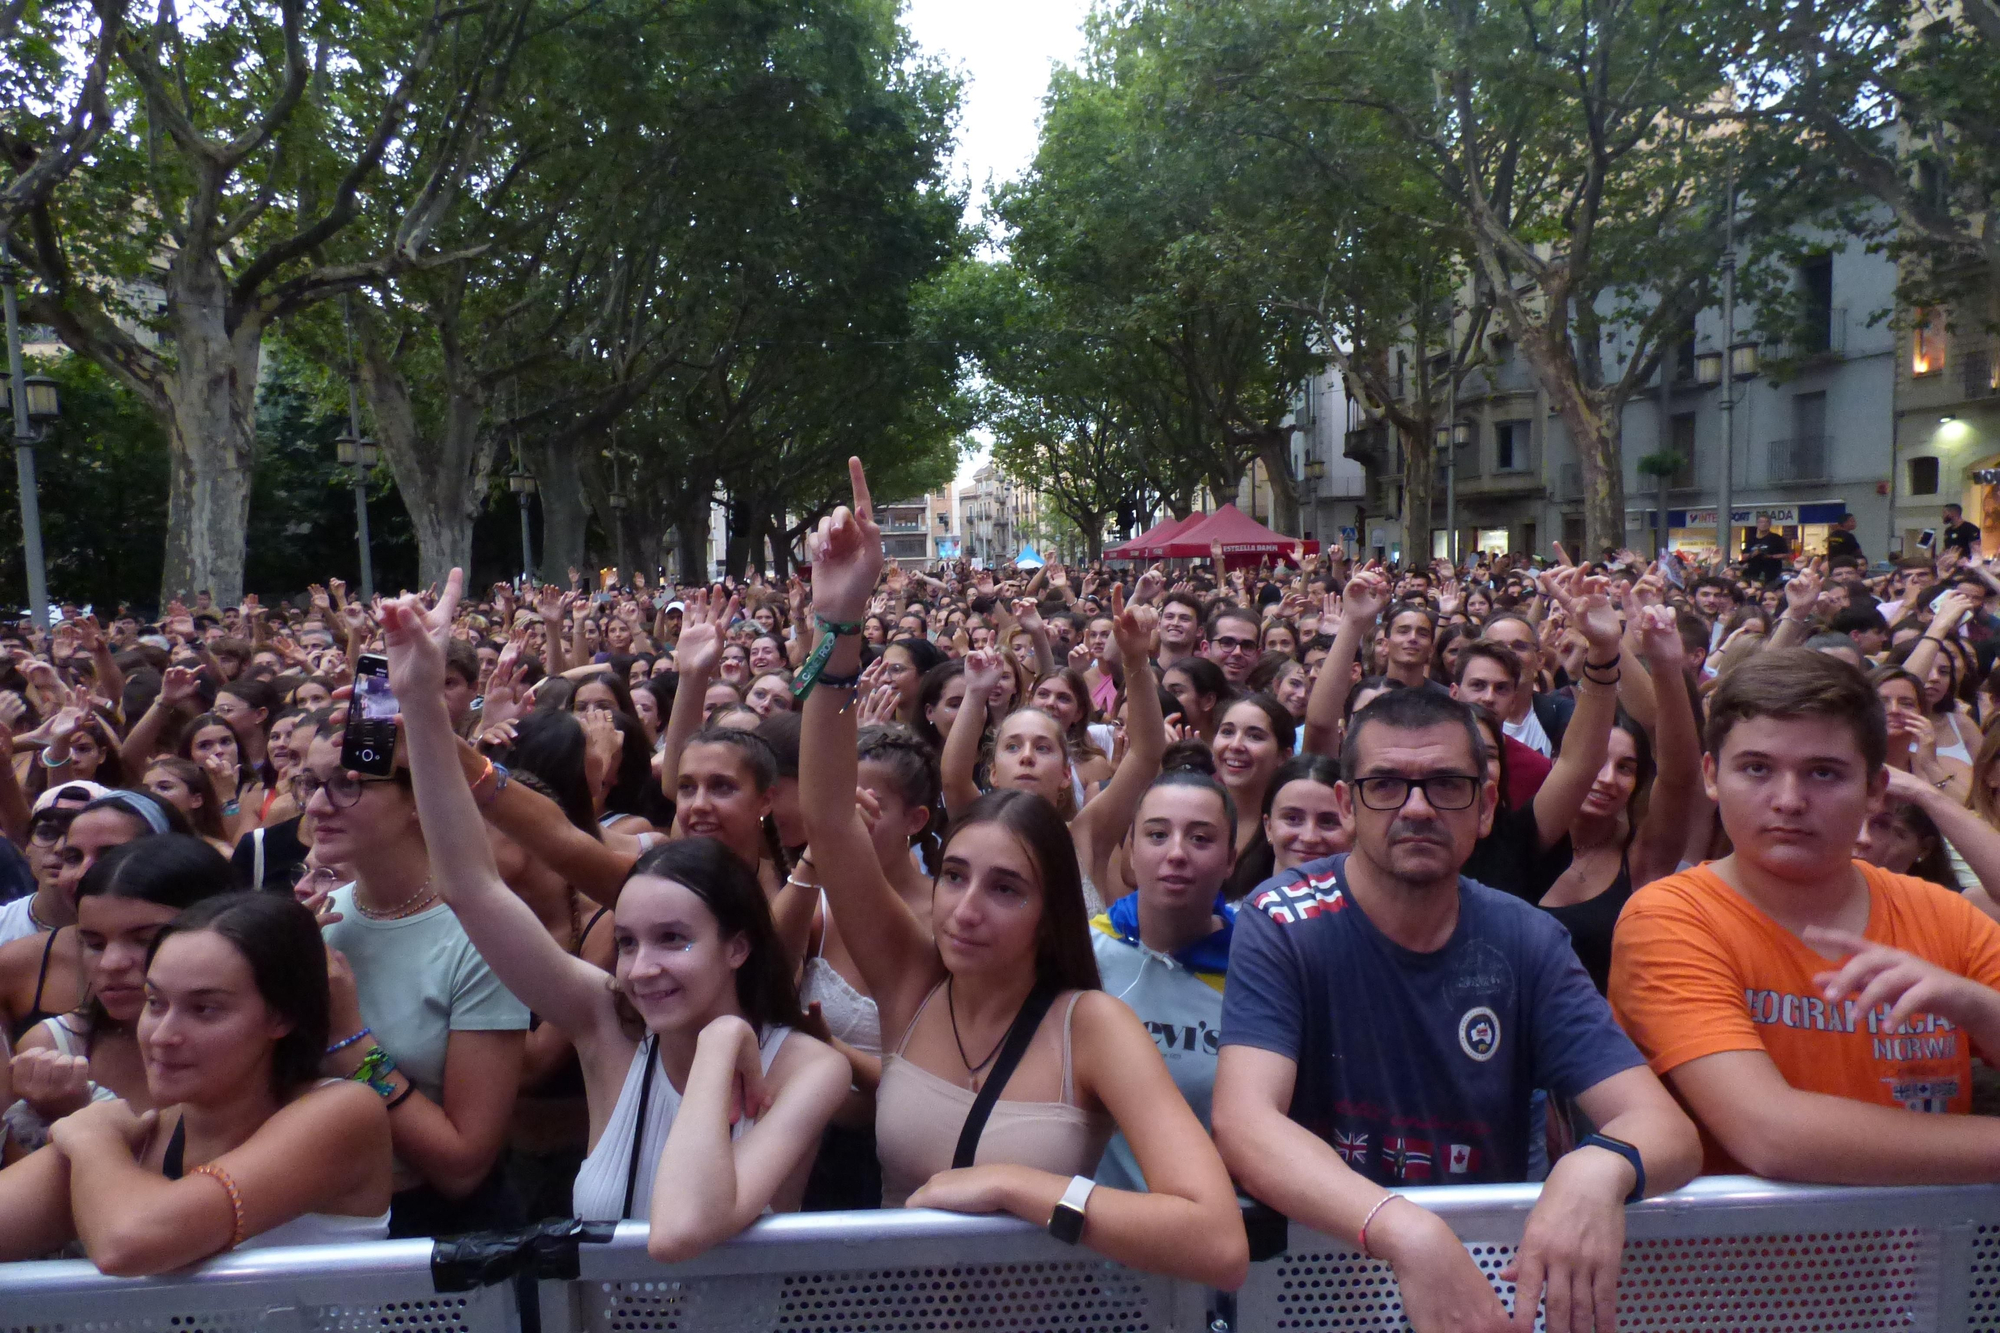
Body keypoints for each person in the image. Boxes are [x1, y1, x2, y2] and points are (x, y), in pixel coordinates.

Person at [800, 459, 1247, 1289]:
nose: (966, 907)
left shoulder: (1093, 1028)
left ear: (1051, 912)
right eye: (957, 876)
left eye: (1005, 888)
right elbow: (828, 818)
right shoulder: (912, 981)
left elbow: (1216, 1237)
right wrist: (840, 619)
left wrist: (1025, 1187)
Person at [378, 575, 846, 1252]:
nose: (641, 968)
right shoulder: (606, 1017)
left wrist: (720, 1043)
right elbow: (471, 887)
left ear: (739, 946)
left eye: (673, 939)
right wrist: (417, 701)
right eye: (626, 942)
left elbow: (682, 1228)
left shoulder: (806, 1067)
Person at [1213, 687, 1700, 1333]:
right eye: (1385, 783)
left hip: (1476, 1289)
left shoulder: (1525, 938)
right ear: (1347, 804)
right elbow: (1246, 1121)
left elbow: (1667, 1131)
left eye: (1446, 783)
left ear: (1487, 804)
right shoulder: (1282, 918)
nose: (1417, 807)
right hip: (1319, 1282)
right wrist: (1406, 1229)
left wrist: (1596, 1166)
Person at [1611, 650, 2000, 1183]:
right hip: (1726, 1264)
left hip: (1924, 1263)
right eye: (1756, 769)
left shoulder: (1942, 915)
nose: (1789, 800)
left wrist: (1978, 1009)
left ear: (1875, 791)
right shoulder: (1670, 919)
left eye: (1823, 773)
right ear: (1711, 775)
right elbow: (1771, 1133)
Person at [0, 892, 392, 1271]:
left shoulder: (344, 1110)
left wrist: (92, 1140)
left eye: (204, 1009)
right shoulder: (142, 1132)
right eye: (155, 1003)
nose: (161, 1035)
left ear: (282, 1017)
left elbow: (128, 1244)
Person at [300, 719, 530, 1237]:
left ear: (416, 797)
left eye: (347, 783)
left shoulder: (481, 933)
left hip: (437, 1239)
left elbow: (462, 1166)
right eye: (310, 783)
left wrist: (348, 1041)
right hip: (316, 1223)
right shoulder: (315, 919)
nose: (316, 806)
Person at [4, 837, 238, 1155]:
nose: (112, 964)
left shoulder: (261, 1042)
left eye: (145, 939)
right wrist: (56, 1121)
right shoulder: (51, 1051)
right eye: (94, 943)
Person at [1089, 768, 1238, 1192]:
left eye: (1201, 839)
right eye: (1157, 835)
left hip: (1218, 1231)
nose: (1176, 853)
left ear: (1230, 859)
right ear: (1130, 851)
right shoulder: (1085, 953)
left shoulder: (1261, 966)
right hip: (1091, 1237)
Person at [1742, 514, 1791, 585]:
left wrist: (1770, 556)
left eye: (1766, 522)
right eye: (1761, 522)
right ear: (1757, 524)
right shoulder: (1751, 539)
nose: (1763, 524)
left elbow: (1786, 555)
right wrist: (1752, 554)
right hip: (1753, 573)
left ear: (1770, 524)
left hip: (1771, 573)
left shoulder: (1777, 538)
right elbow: (1744, 556)